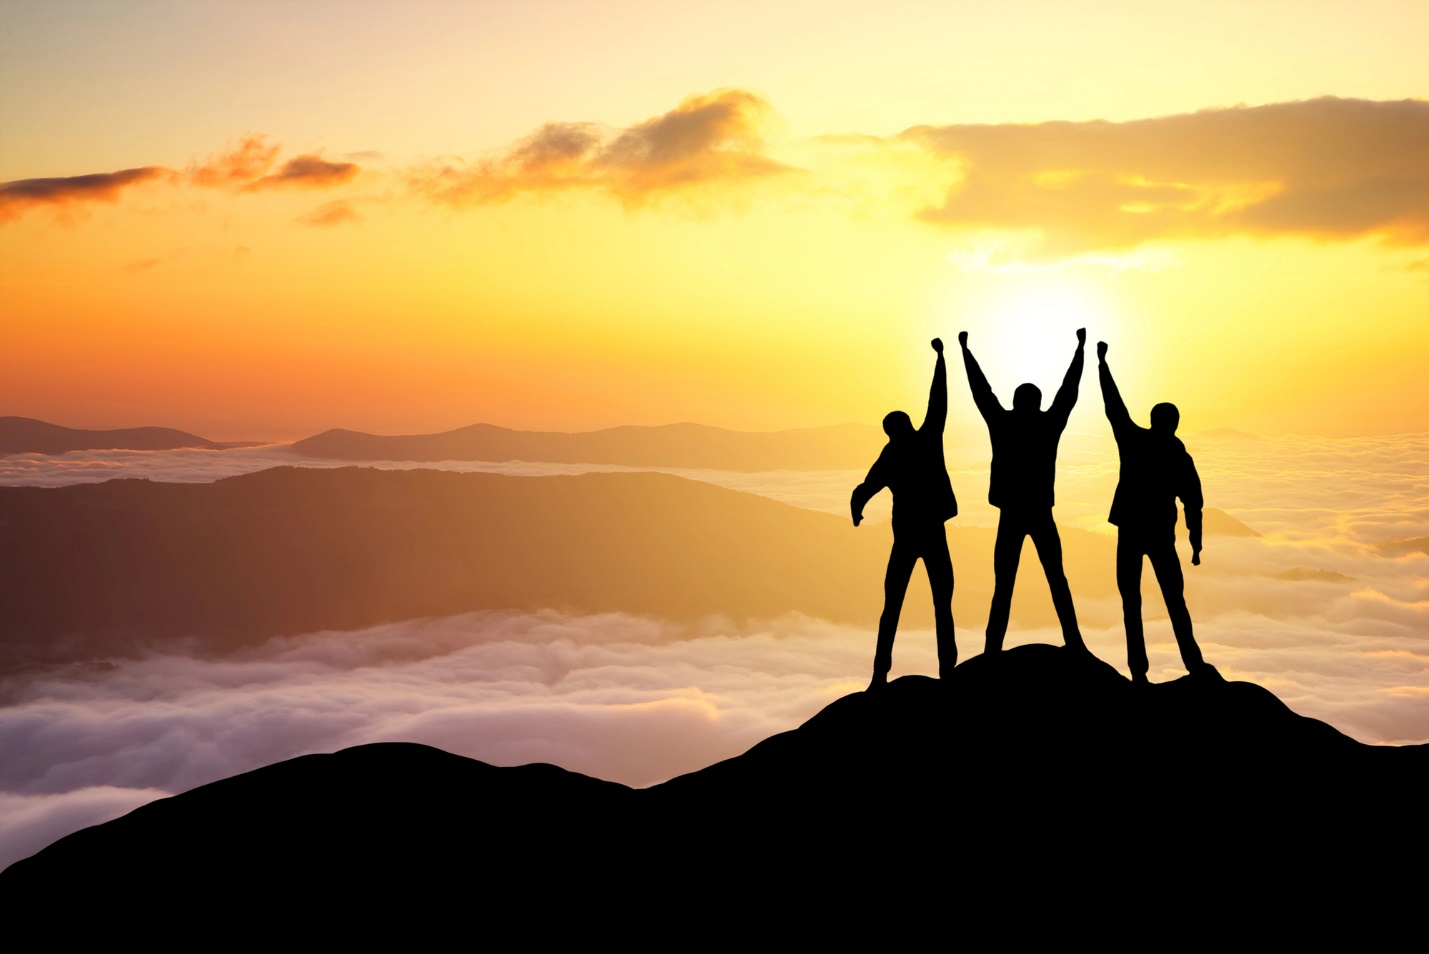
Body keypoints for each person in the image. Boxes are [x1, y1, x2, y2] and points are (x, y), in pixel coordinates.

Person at [958, 328, 1087, 654]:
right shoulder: (1049, 424)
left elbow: (981, 391)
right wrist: (1079, 349)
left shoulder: (1002, 423)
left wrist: (965, 351)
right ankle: (1074, 642)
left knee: (1005, 585)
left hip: (1013, 514)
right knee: (1057, 578)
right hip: (1040, 513)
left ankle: (992, 650)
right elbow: (1068, 392)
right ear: (1038, 403)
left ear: (1016, 402)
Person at [1096, 340, 1216, 683]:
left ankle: (1139, 673)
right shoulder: (1179, 454)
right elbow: (1193, 502)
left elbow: (1113, 407)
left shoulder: (1135, 441)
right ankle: (1192, 663)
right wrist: (1195, 542)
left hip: (1132, 531)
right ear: (1174, 424)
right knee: (1173, 601)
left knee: (1131, 603)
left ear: (1153, 420)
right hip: (1159, 534)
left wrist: (1102, 364)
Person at [850, 338, 959, 689]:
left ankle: (879, 675)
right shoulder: (925, 440)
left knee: (894, 605)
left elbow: (864, 489)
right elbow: (938, 402)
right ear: (906, 425)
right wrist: (941, 359)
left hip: (907, 538)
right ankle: (947, 672)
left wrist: (857, 511)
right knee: (941, 603)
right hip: (929, 534)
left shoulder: (892, 454)